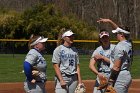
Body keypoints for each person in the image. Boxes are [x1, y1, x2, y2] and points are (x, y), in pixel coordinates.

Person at [97, 18, 133, 93]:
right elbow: (122, 31)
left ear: (122, 35)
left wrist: (110, 83)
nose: (116, 35)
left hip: (120, 77)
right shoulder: (129, 43)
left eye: (117, 33)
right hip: (126, 75)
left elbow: (116, 67)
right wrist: (110, 21)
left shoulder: (119, 46)